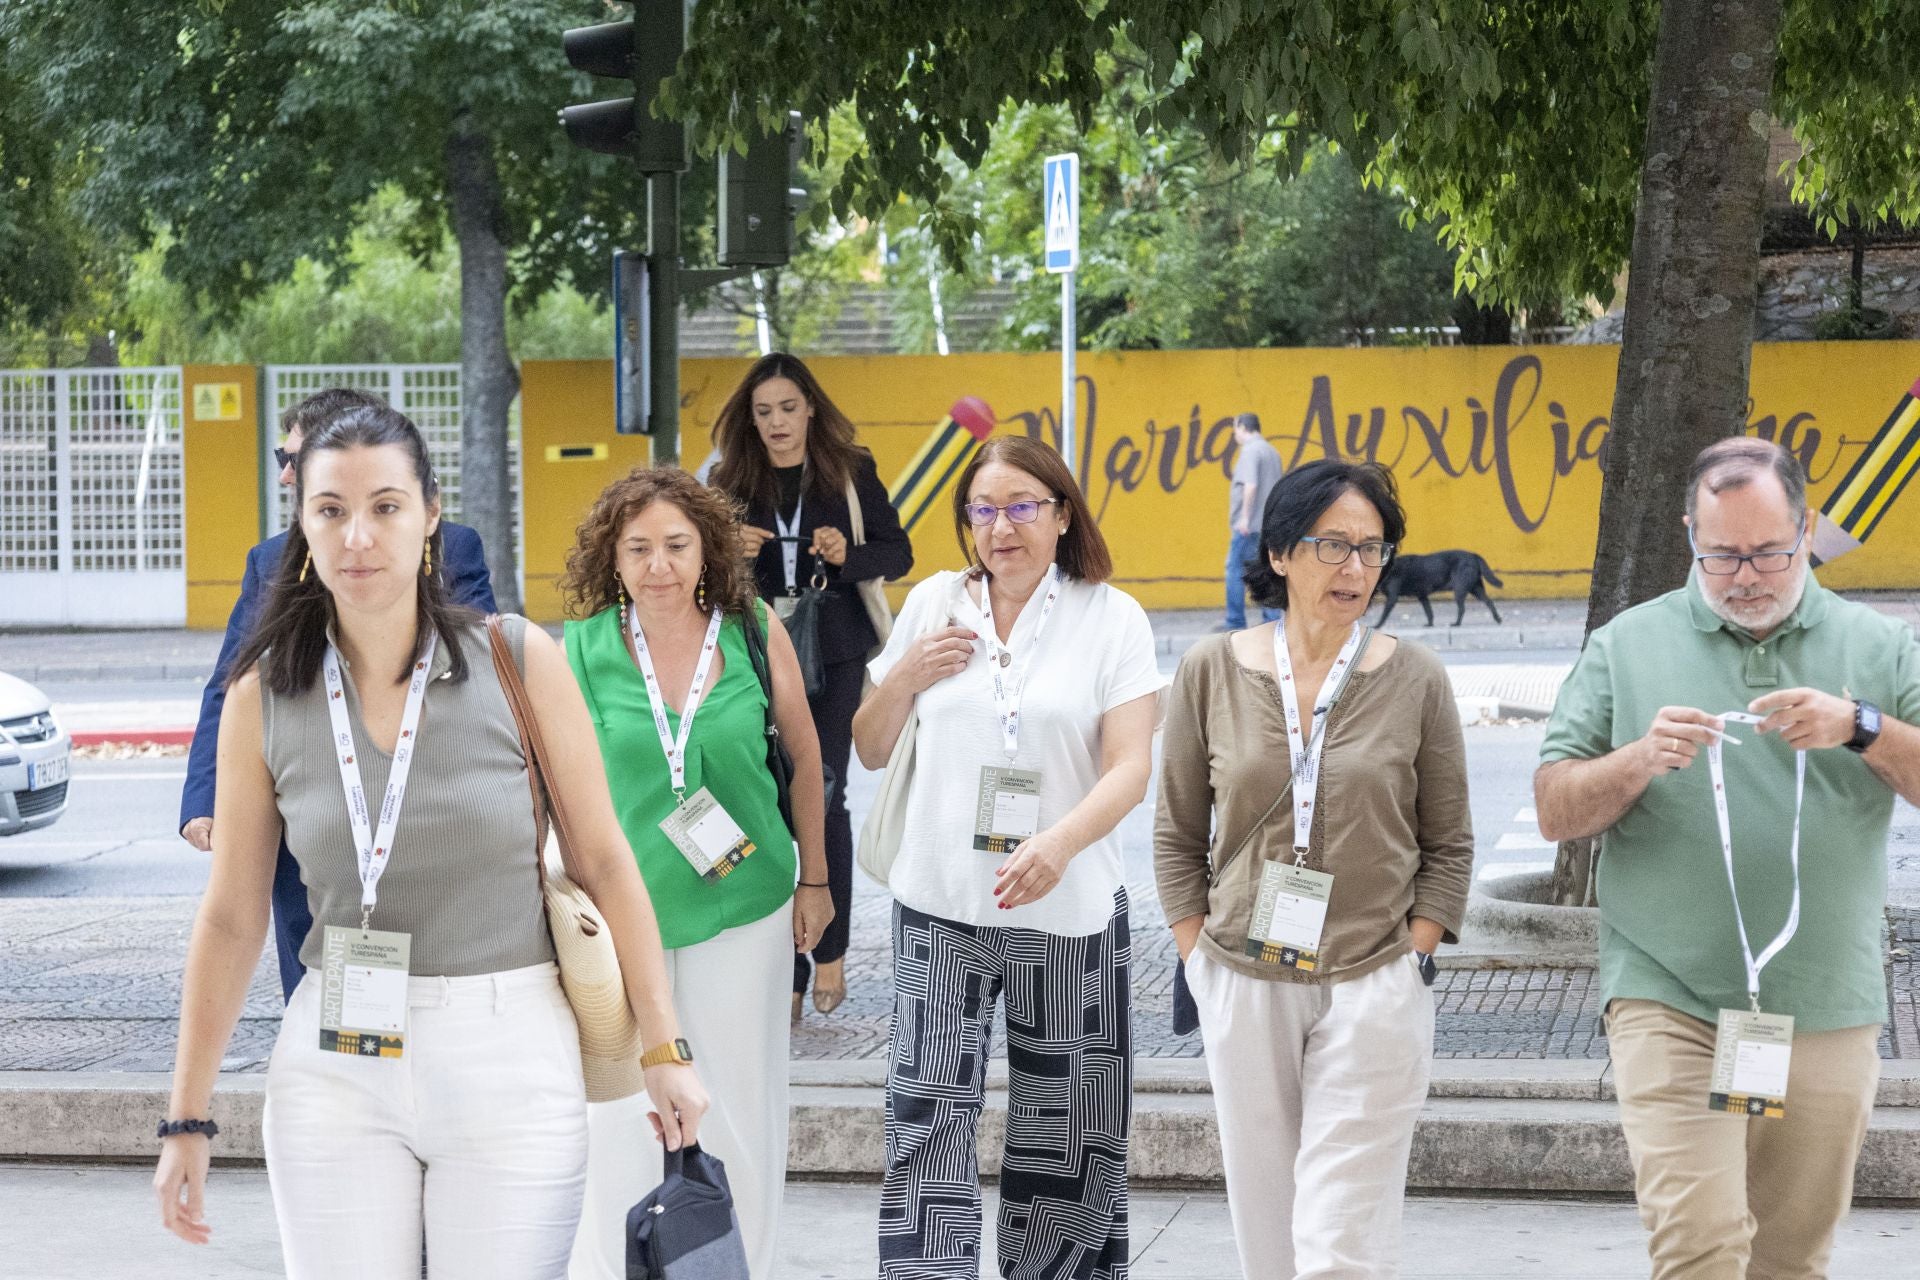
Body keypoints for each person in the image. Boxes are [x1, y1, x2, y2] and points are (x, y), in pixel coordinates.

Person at [152, 404, 706, 1278]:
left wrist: (665, 1050)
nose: (358, 536)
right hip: (333, 1069)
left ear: (430, 513)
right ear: (301, 521)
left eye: (385, 506)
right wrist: (186, 1118)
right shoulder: (264, 695)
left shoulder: (518, 660)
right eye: (331, 510)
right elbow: (229, 917)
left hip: (509, 1055)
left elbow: (604, 863)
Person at [1535, 437, 1920, 1280]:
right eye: (1721, 555)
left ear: (1808, 529)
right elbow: (1555, 810)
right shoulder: (1625, 645)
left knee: (1788, 1259)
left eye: (1770, 553)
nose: (1746, 576)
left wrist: (1862, 728)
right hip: (1666, 990)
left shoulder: (1880, 648)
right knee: (1699, 1248)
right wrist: (1636, 759)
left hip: (1826, 998)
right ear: (1688, 537)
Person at [1155, 457, 1473, 1280]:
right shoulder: (1209, 670)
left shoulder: (1418, 679)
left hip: (1375, 976)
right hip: (1242, 974)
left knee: (1339, 1241)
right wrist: (1199, 961)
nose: (1357, 568)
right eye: (1334, 545)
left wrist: (1418, 951)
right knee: (1269, 1233)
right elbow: (1177, 832)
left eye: (1373, 549)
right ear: (1281, 554)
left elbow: (1450, 841)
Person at [853, 435, 1162, 1280]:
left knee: (1065, 1136)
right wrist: (905, 676)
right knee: (926, 1124)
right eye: (983, 510)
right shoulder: (931, 604)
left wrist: (1059, 844)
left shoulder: (1112, 616)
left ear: (1062, 514)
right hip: (939, 907)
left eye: (1023, 505)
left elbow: (1131, 765)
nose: (1002, 527)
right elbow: (871, 749)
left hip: (1066, 909)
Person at [560, 466, 831, 1280]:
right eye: (637, 547)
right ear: (611, 558)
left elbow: (808, 754)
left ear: (706, 550)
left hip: (742, 907)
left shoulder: (751, 629)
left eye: (676, 545)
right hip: (619, 915)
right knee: (616, 1117)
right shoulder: (577, 647)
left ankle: (738, 1265)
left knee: (739, 1106)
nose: (658, 566)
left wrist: (816, 882)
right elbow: (547, 784)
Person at [179, 387, 496, 1002]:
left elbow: (474, 665)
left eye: (297, 457)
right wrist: (203, 797)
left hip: (414, 784)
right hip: (308, 793)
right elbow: (232, 682)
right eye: (284, 459)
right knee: (310, 975)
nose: (288, 473)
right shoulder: (269, 561)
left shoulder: (450, 547)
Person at [709, 352, 913, 1018]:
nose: (777, 424)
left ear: (810, 411)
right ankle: (780, 966)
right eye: (764, 412)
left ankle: (828, 953)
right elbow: (697, 575)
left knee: (823, 792)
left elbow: (898, 551)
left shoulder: (850, 472)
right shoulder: (726, 480)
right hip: (756, 650)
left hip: (835, 648)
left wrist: (844, 555)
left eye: (788, 409)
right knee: (761, 798)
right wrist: (724, 552)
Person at [1223, 411, 1282, 631]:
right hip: (1268, 524)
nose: (1235, 435)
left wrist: (1245, 518)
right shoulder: (1271, 451)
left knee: (1234, 569)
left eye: (1235, 429)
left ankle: (1235, 620)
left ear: (1243, 427)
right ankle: (1272, 619)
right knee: (1266, 570)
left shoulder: (1250, 451)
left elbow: (1251, 485)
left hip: (1249, 526)